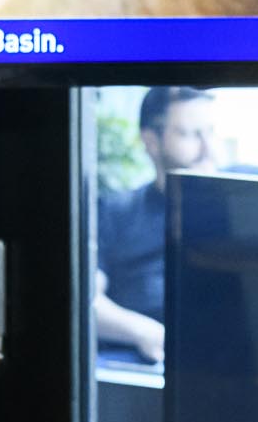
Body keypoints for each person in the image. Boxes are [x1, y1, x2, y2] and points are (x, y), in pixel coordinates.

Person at [93, 86, 221, 365]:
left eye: (211, 132)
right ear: (151, 141)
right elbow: (87, 300)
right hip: (140, 361)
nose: (208, 149)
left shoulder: (248, 197)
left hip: (225, 364)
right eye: (190, 134)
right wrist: (144, 333)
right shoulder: (116, 212)